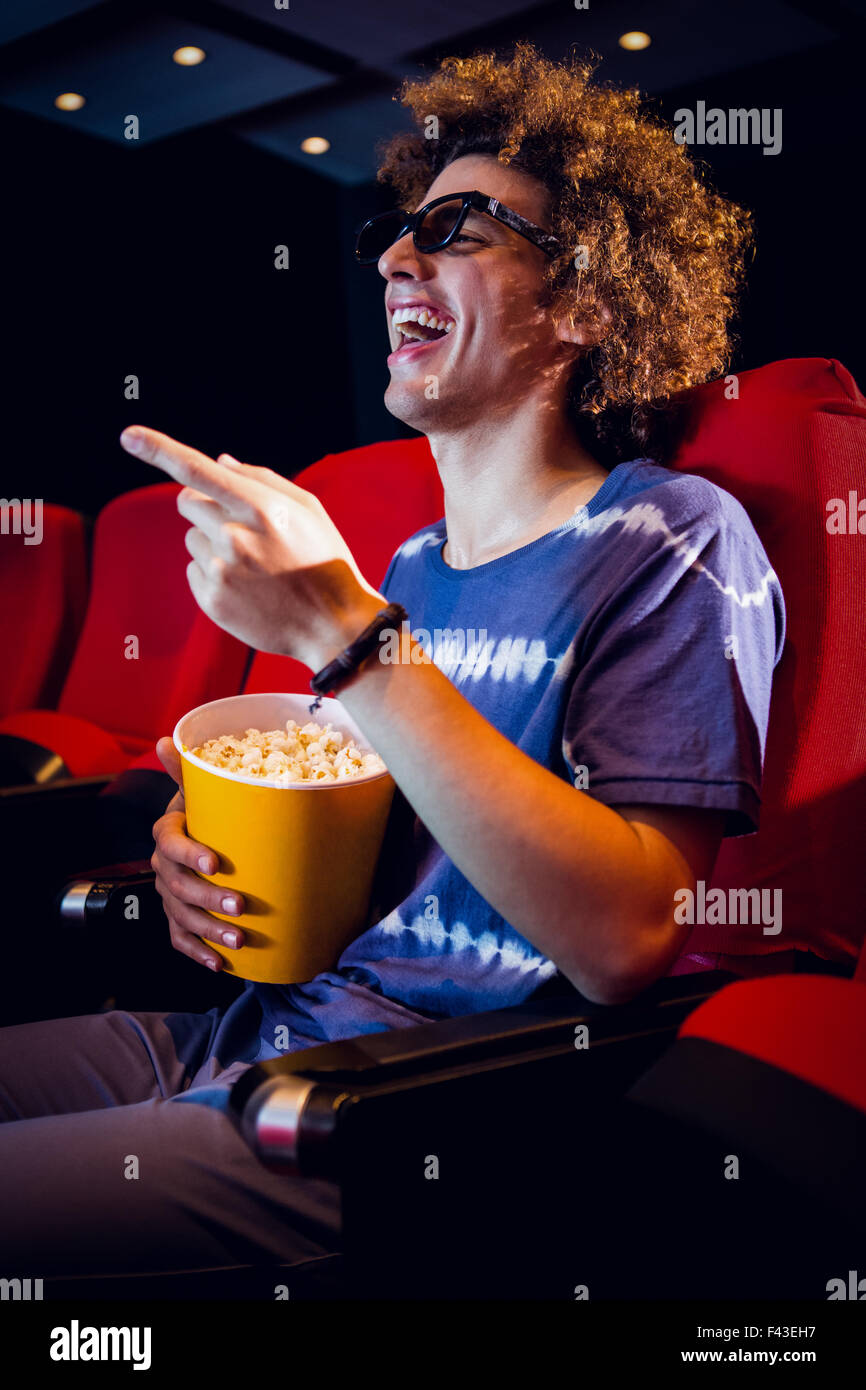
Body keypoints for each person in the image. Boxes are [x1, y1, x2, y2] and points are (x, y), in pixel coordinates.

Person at [0, 44, 784, 1282]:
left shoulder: (672, 535)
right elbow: (364, 852)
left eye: (458, 230)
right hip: (261, 1025)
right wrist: (199, 864)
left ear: (585, 301)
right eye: (397, 232)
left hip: (403, 1106)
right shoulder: (410, 566)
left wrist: (343, 637)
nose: (392, 260)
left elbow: (629, 934)